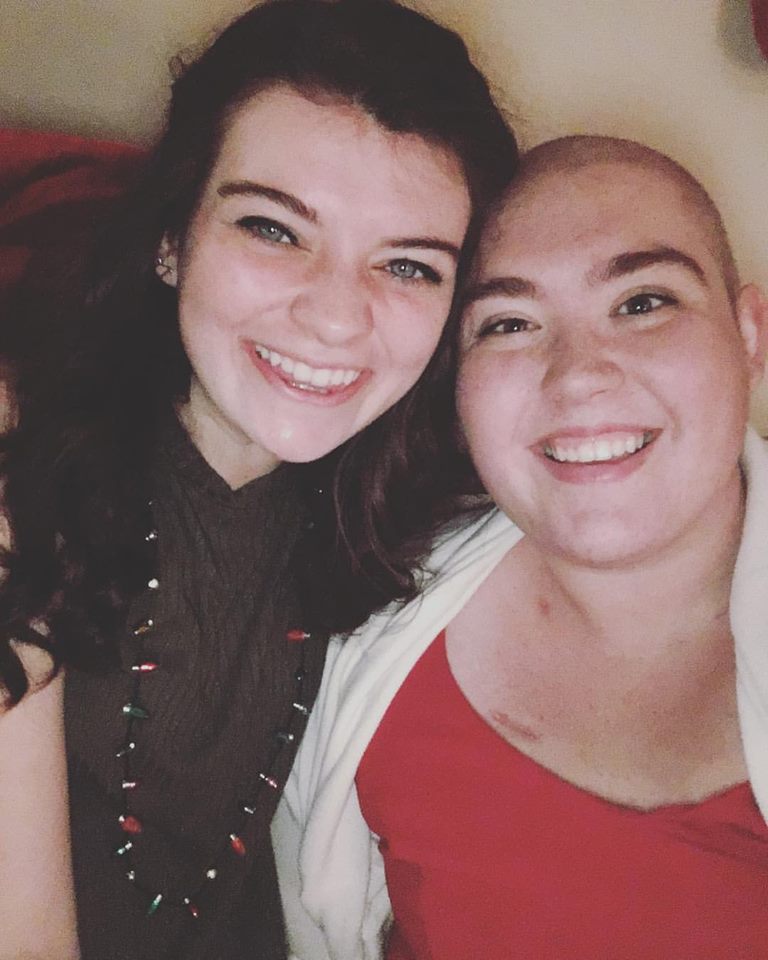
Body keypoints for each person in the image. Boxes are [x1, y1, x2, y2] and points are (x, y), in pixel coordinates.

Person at [0, 2, 518, 958]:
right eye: (275, 229)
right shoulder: (21, 481)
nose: (336, 317)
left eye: (408, 266)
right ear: (171, 239)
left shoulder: (420, 523)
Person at [274, 135, 768, 960]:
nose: (577, 374)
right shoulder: (366, 603)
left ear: (749, 336)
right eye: (508, 323)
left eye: (643, 302)